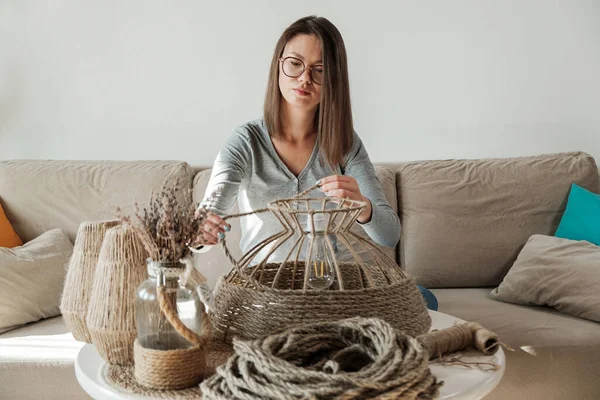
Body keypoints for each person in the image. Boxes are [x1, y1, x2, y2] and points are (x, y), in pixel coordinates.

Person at [197, 15, 437, 311]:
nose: (305, 78)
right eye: (295, 64)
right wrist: (200, 233)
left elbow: (389, 235)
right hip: (267, 292)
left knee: (423, 298)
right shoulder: (246, 141)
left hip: (333, 289)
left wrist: (363, 206)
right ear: (279, 65)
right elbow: (207, 217)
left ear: (334, 79)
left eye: (319, 69)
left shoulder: (345, 142)